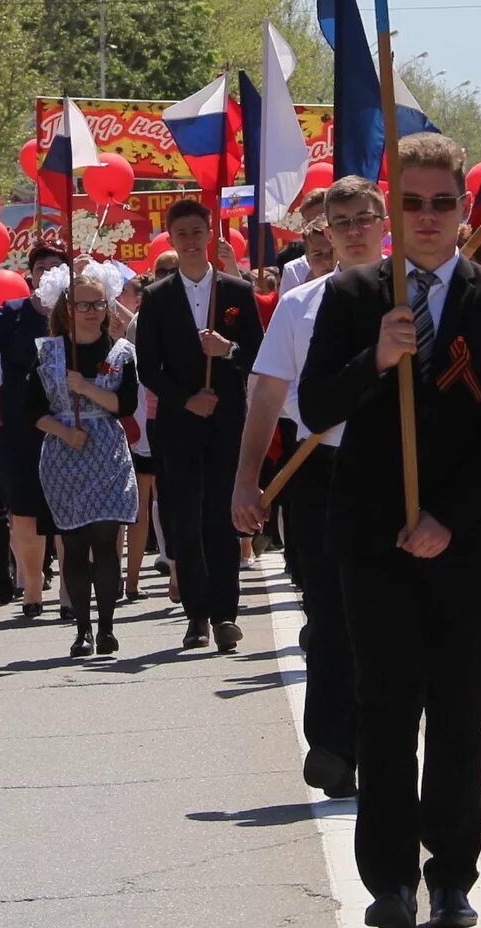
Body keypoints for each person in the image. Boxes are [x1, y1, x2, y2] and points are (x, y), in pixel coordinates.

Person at [298, 132, 481, 928]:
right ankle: (391, 878)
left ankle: (454, 874)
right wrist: (375, 356)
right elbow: (316, 406)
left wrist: (450, 518)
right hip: (373, 535)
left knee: (461, 709)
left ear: (464, 208)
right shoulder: (355, 295)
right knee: (386, 706)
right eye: (413, 202)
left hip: (460, 542)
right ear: (392, 210)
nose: (428, 217)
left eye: (443, 202)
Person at [236, 190, 378, 790]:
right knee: (328, 609)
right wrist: (247, 478)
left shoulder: (418, 298)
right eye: (337, 224)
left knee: (384, 613)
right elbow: (267, 394)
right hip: (316, 466)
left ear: (383, 226)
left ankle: (380, 743)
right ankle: (331, 743)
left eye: (362, 220)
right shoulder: (299, 305)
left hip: (396, 467)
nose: (350, 233)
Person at [137, 196, 265, 653]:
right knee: (184, 519)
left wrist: (226, 351)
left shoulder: (236, 292)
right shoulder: (155, 298)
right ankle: (196, 615)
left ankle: (226, 613)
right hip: (178, 426)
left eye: (198, 232)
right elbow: (147, 366)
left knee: (220, 519)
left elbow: (258, 354)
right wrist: (186, 399)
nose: (191, 241)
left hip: (227, 422)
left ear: (210, 235)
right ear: (170, 239)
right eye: (182, 234)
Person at [27, 267, 141, 657]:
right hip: (64, 453)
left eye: (98, 304)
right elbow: (31, 410)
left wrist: (86, 387)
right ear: (67, 308)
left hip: (106, 450)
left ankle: (107, 627)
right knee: (73, 546)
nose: (92, 311)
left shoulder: (118, 352)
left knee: (105, 542)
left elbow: (124, 404)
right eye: (82, 305)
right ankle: (82, 628)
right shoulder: (47, 352)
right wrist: (63, 432)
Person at [0, 244, 67, 624]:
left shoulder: (80, 309)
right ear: (30, 274)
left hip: (67, 425)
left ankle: (70, 589)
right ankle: (32, 587)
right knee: (24, 511)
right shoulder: (13, 314)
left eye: (56, 267)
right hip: (17, 427)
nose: (48, 273)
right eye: (41, 267)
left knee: (67, 510)